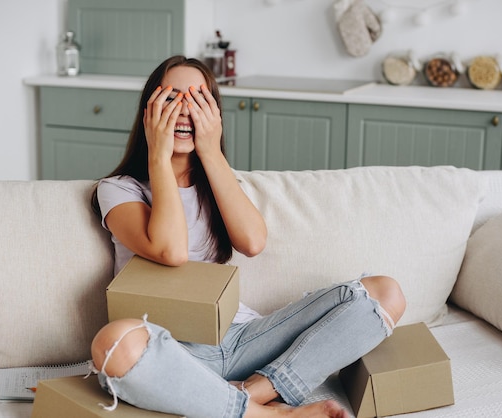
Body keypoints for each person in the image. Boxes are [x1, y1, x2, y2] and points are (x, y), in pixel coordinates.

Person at [89, 55, 406, 418]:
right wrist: (159, 155)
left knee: (385, 293)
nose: (185, 111)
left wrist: (210, 149)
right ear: (149, 111)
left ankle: (250, 391)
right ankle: (273, 414)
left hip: (241, 339)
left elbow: (253, 242)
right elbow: (170, 250)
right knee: (113, 343)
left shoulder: (221, 185)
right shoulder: (117, 190)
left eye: (198, 101)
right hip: (173, 353)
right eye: (173, 99)